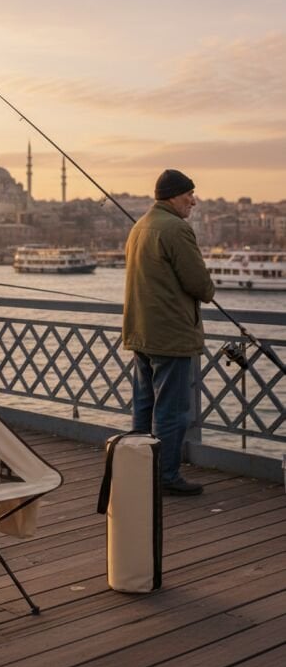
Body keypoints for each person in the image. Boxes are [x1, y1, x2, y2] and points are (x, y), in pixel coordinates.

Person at [122, 170, 215, 495]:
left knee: (144, 405)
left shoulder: (140, 226)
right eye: (189, 193)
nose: (193, 200)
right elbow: (199, 285)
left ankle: (136, 470)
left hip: (142, 332)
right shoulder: (176, 228)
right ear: (174, 195)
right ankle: (166, 477)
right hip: (171, 335)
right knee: (172, 410)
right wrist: (209, 285)